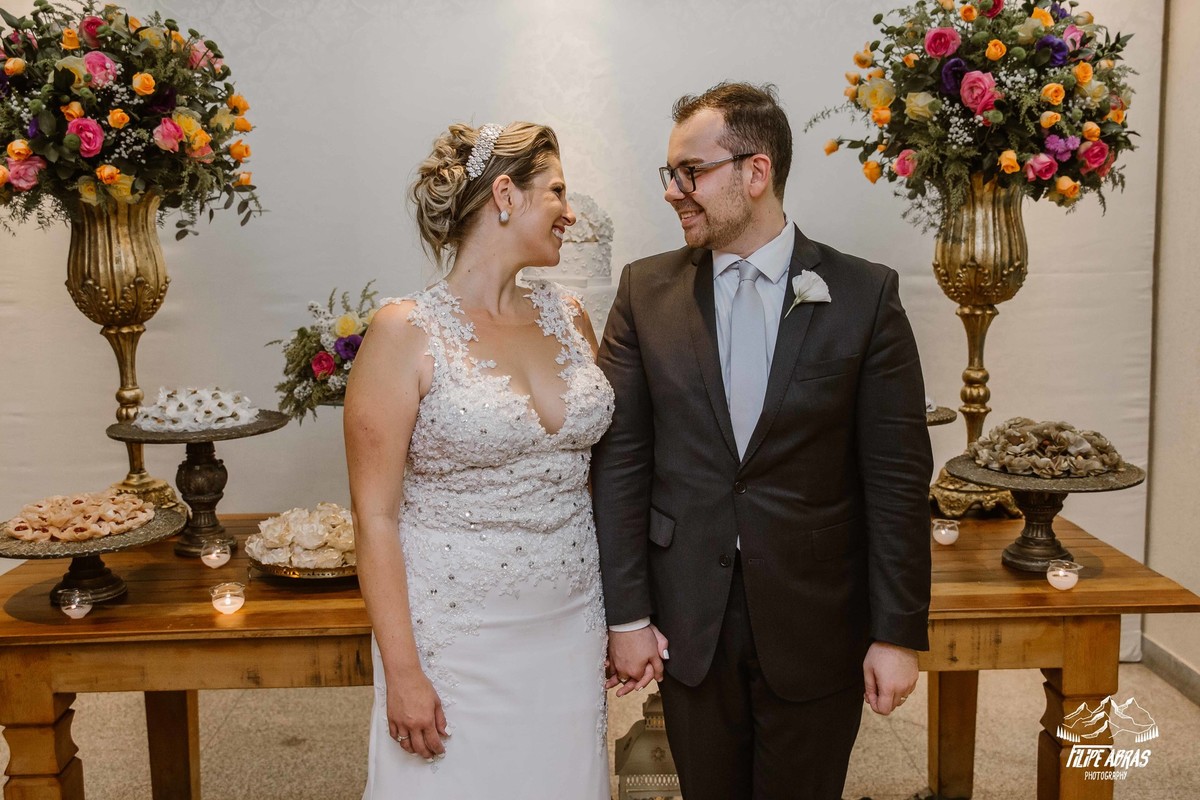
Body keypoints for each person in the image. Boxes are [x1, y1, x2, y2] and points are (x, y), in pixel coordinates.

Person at [592, 82, 934, 800]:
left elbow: (898, 477)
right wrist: (626, 615)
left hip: (818, 618)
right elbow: (620, 466)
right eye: (670, 175)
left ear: (756, 171)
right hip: (689, 616)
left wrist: (898, 633)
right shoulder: (644, 293)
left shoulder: (864, 295)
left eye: (692, 172)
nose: (673, 192)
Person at [345, 121, 615, 799]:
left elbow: (599, 479)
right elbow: (374, 517)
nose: (571, 211)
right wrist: (403, 670)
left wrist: (625, 616)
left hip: (570, 622)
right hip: (457, 638)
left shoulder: (571, 315)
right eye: (557, 190)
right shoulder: (404, 332)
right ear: (505, 194)